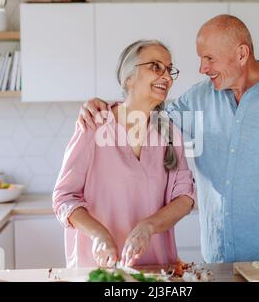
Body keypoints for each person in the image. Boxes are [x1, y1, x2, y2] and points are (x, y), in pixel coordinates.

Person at [77, 15, 259, 263]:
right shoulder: (198, 97)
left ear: (242, 54)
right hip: (216, 259)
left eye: (209, 58)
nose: (202, 68)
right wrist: (104, 107)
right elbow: (151, 116)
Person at [52, 40, 196, 268]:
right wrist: (99, 234)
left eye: (169, 69)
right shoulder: (94, 124)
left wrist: (148, 226)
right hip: (99, 268)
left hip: (156, 269)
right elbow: (64, 198)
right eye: (156, 67)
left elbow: (185, 198)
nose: (167, 77)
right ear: (128, 78)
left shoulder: (169, 131)